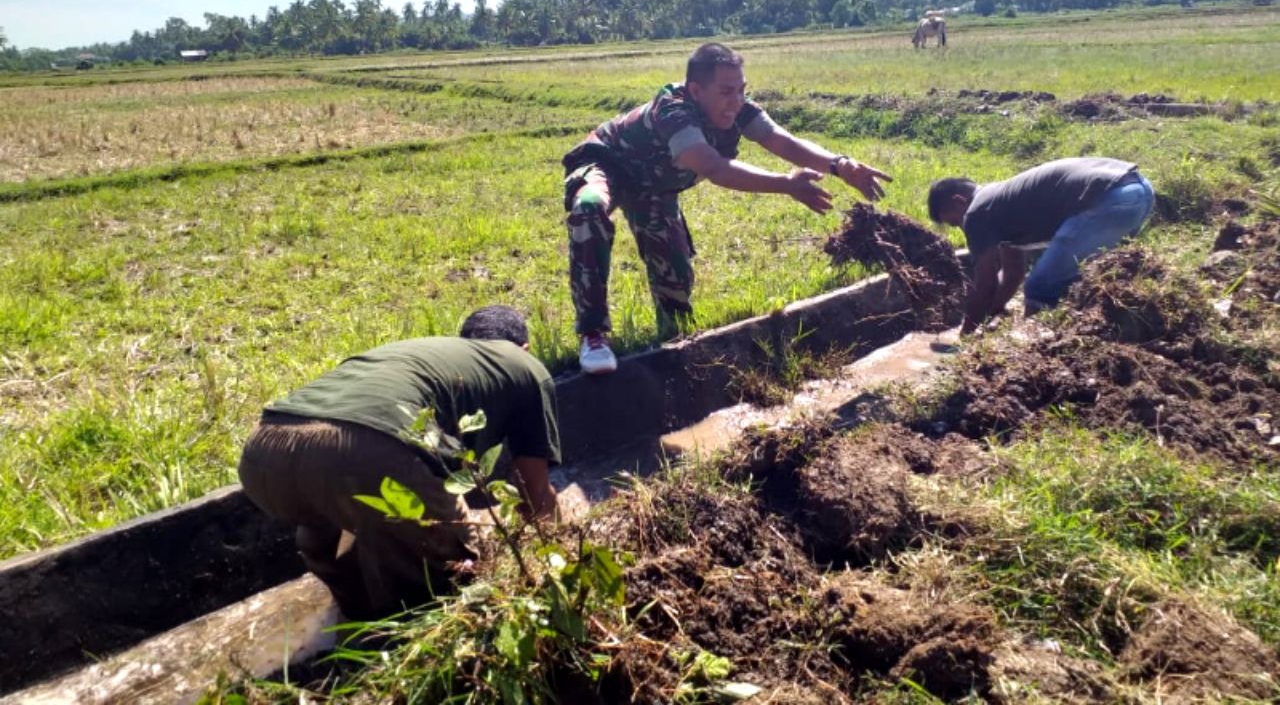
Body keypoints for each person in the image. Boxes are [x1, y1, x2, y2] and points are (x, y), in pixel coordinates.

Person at [563, 41, 892, 374]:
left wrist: (840, 164)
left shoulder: (739, 109)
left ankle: (672, 356)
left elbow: (782, 140)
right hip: (608, 161)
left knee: (675, 293)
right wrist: (786, 184)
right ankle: (593, 334)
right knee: (589, 206)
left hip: (656, 187)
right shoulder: (674, 109)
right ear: (696, 89)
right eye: (726, 92)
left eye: (742, 90)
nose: (736, 101)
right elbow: (714, 167)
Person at [237, 305, 560, 619]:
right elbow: (534, 493)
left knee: (328, 521)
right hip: (361, 452)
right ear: (525, 348)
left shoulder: (428, 354)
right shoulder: (524, 365)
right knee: (459, 568)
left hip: (262, 454)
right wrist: (550, 558)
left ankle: (351, 627)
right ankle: (415, 640)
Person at [927, 157, 1155, 334]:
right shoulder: (1000, 204)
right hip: (1140, 190)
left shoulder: (977, 212)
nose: (961, 227)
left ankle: (1034, 358)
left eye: (955, 221)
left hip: (1110, 199)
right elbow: (1012, 274)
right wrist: (993, 312)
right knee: (1088, 281)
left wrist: (965, 336)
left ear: (960, 201)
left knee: (1040, 288)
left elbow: (985, 283)